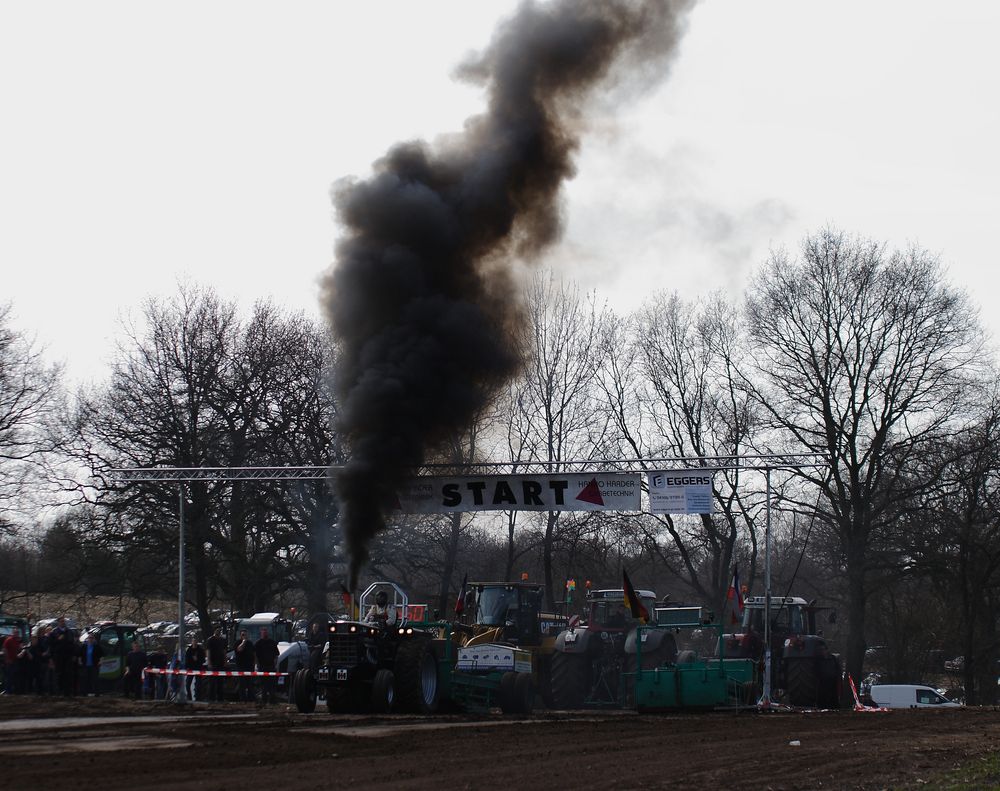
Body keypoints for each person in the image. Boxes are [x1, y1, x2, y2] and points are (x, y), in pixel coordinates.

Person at [50, 617, 75, 696]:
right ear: (58, 623)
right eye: (61, 621)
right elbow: (51, 645)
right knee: (58, 674)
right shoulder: (54, 632)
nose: (63, 623)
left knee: (67, 674)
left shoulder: (69, 632)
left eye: (64, 621)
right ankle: (58, 692)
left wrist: (73, 654)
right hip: (58, 656)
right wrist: (58, 639)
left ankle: (67, 692)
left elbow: (72, 644)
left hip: (67, 656)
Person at [254, 627, 279, 705]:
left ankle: (273, 701)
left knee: (272, 685)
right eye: (263, 632)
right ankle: (263, 701)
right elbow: (254, 655)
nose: (265, 633)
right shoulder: (258, 643)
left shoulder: (272, 642)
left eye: (266, 632)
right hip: (262, 667)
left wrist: (275, 664)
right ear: (261, 633)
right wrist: (257, 664)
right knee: (263, 685)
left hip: (271, 666)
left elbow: (277, 654)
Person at [205, 626, 228, 702]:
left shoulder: (223, 640)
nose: (218, 631)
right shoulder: (210, 640)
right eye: (217, 630)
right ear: (214, 631)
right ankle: (211, 698)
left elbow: (224, 651)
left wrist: (225, 661)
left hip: (220, 663)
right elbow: (208, 651)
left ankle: (220, 698)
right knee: (211, 682)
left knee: (220, 682)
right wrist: (209, 662)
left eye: (219, 630)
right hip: (213, 663)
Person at [233, 629, 255, 702]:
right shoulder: (237, 643)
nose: (244, 636)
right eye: (243, 635)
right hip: (241, 666)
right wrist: (243, 642)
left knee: (250, 684)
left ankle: (251, 699)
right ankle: (243, 699)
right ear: (240, 636)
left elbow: (253, 654)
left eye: (245, 634)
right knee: (242, 684)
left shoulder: (250, 643)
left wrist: (254, 664)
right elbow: (239, 649)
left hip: (249, 666)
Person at [184, 636, 206, 702]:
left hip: (198, 668)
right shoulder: (189, 650)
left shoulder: (200, 650)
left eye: (195, 641)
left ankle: (197, 698)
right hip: (190, 668)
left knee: (198, 684)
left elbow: (203, 660)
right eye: (193, 641)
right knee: (187, 684)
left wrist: (198, 659)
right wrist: (187, 667)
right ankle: (189, 697)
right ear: (192, 642)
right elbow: (186, 659)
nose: (194, 642)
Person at [2, 627, 23, 694]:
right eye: (15, 632)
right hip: (9, 661)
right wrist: (7, 659)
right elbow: (4, 649)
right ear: (12, 633)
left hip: (16, 661)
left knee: (16, 677)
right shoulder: (8, 640)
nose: (16, 634)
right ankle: (8, 691)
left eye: (17, 633)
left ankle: (15, 691)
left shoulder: (18, 641)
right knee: (9, 677)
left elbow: (19, 649)